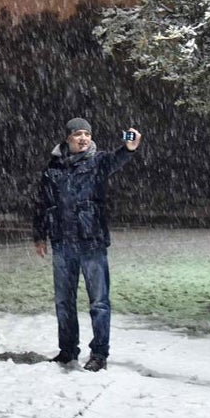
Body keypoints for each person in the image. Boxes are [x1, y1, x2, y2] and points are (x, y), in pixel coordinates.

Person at [32, 117, 142, 372]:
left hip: (91, 241)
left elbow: (118, 158)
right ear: (68, 137)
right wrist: (39, 235)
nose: (83, 138)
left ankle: (99, 354)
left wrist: (129, 147)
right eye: (78, 134)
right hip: (62, 242)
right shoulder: (53, 167)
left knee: (99, 302)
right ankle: (68, 350)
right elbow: (42, 203)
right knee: (64, 302)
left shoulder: (99, 161)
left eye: (87, 134)